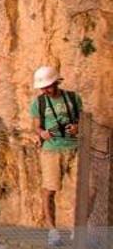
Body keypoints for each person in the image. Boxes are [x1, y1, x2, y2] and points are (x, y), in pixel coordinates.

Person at [30, 65, 83, 240]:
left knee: (84, 189)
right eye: (43, 87)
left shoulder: (73, 98)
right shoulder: (39, 102)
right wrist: (41, 133)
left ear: (56, 82)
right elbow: (36, 126)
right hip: (51, 149)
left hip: (74, 147)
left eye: (48, 86)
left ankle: (78, 227)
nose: (46, 90)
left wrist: (77, 127)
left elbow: (83, 121)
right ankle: (52, 230)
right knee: (50, 189)